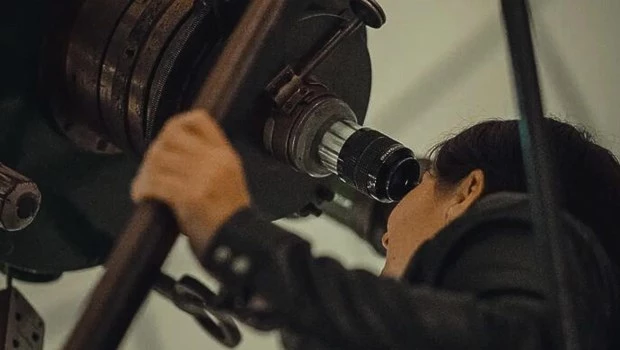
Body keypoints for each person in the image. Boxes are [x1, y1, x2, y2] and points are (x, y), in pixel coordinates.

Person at [131, 110, 620, 349]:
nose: (385, 236)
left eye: (423, 181)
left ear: (469, 192)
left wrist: (236, 236)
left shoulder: (545, 246)